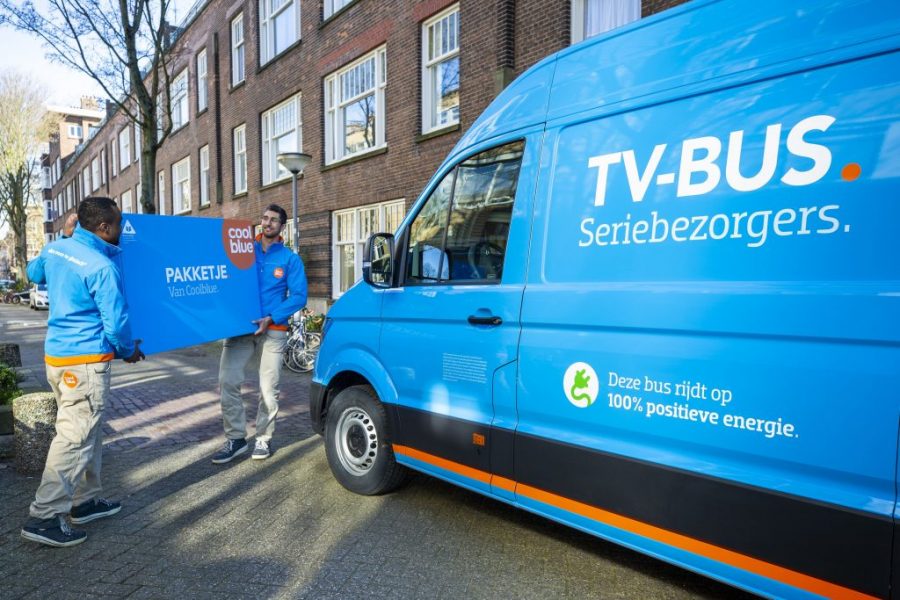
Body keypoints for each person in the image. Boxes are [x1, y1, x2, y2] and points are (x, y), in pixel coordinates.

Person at [21, 197, 144, 548]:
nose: (121, 229)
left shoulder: (56, 249)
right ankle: (44, 516)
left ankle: (85, 501)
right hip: (85, 362)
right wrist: (128, 350)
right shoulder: (101, 266)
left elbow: (33, 274)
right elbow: (116, 323)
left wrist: (62, 238)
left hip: (57, 359)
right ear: (103, 228)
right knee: (75, 436)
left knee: (87, 430)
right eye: (118, 223)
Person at [213, 204, 307, 463]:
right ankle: (236, 439)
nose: (267, 223)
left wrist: (272, 317)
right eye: (265, 218)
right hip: (241, 329)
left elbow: (299, 296)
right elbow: (222, 280)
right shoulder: (242, 250)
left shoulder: (290, 259)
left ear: (282, 226)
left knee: (269, 388)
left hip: (273, 330)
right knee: (227, 381)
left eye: (273, 220)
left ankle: (263, 438)